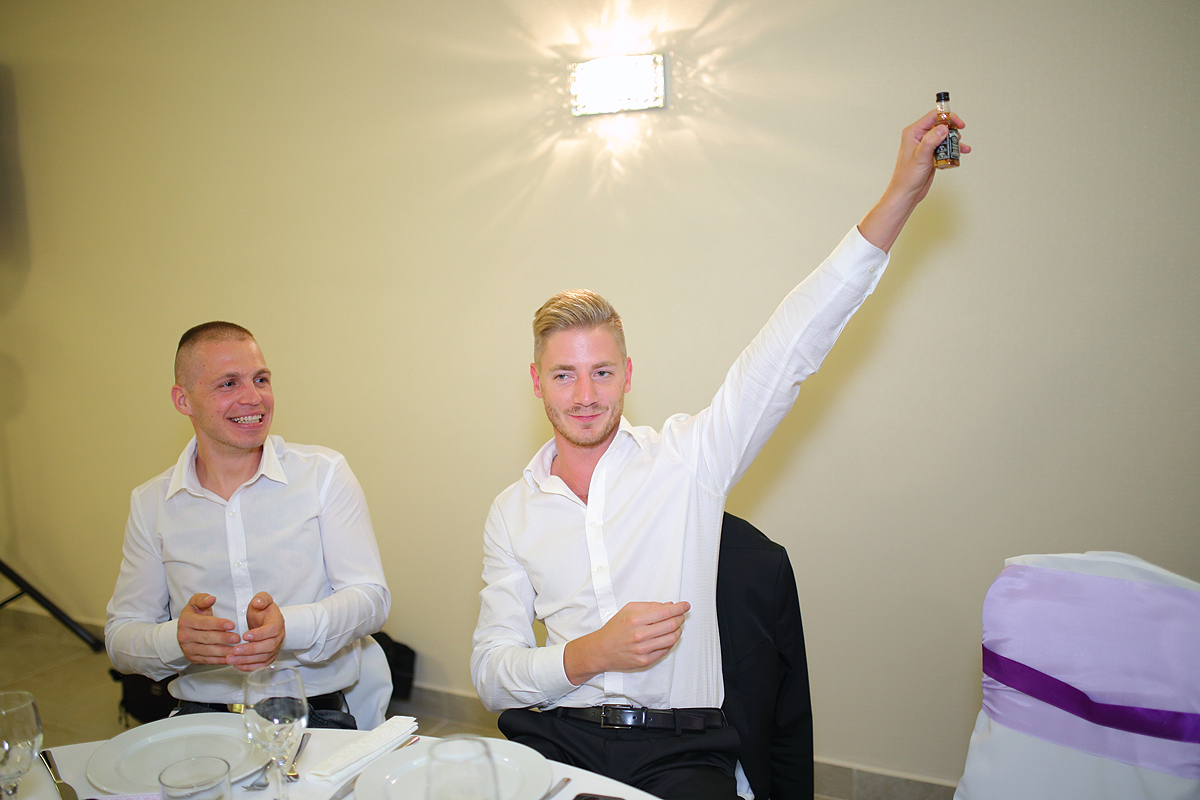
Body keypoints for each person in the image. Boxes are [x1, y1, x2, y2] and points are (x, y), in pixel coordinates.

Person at [470, 108, 969, 798]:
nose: (585, 395)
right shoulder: (512, 512)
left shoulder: (688, 460)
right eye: (564, 375)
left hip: (679, 751)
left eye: (602, 372)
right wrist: (587, 655)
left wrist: (901, 195)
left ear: (627, 374)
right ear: (536, 382)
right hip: (559, 740)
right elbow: (491, 671)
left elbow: (792, 345)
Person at [105, 322, 391, 729]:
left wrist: (288, 628)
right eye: (228, 383)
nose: (253, 397)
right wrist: (176, 640)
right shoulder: (152, 502)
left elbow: (371, 598)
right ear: (183, 400)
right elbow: (120, 639)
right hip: (201, 716)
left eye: (261, 379)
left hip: (311, 711)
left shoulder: (323, 474)